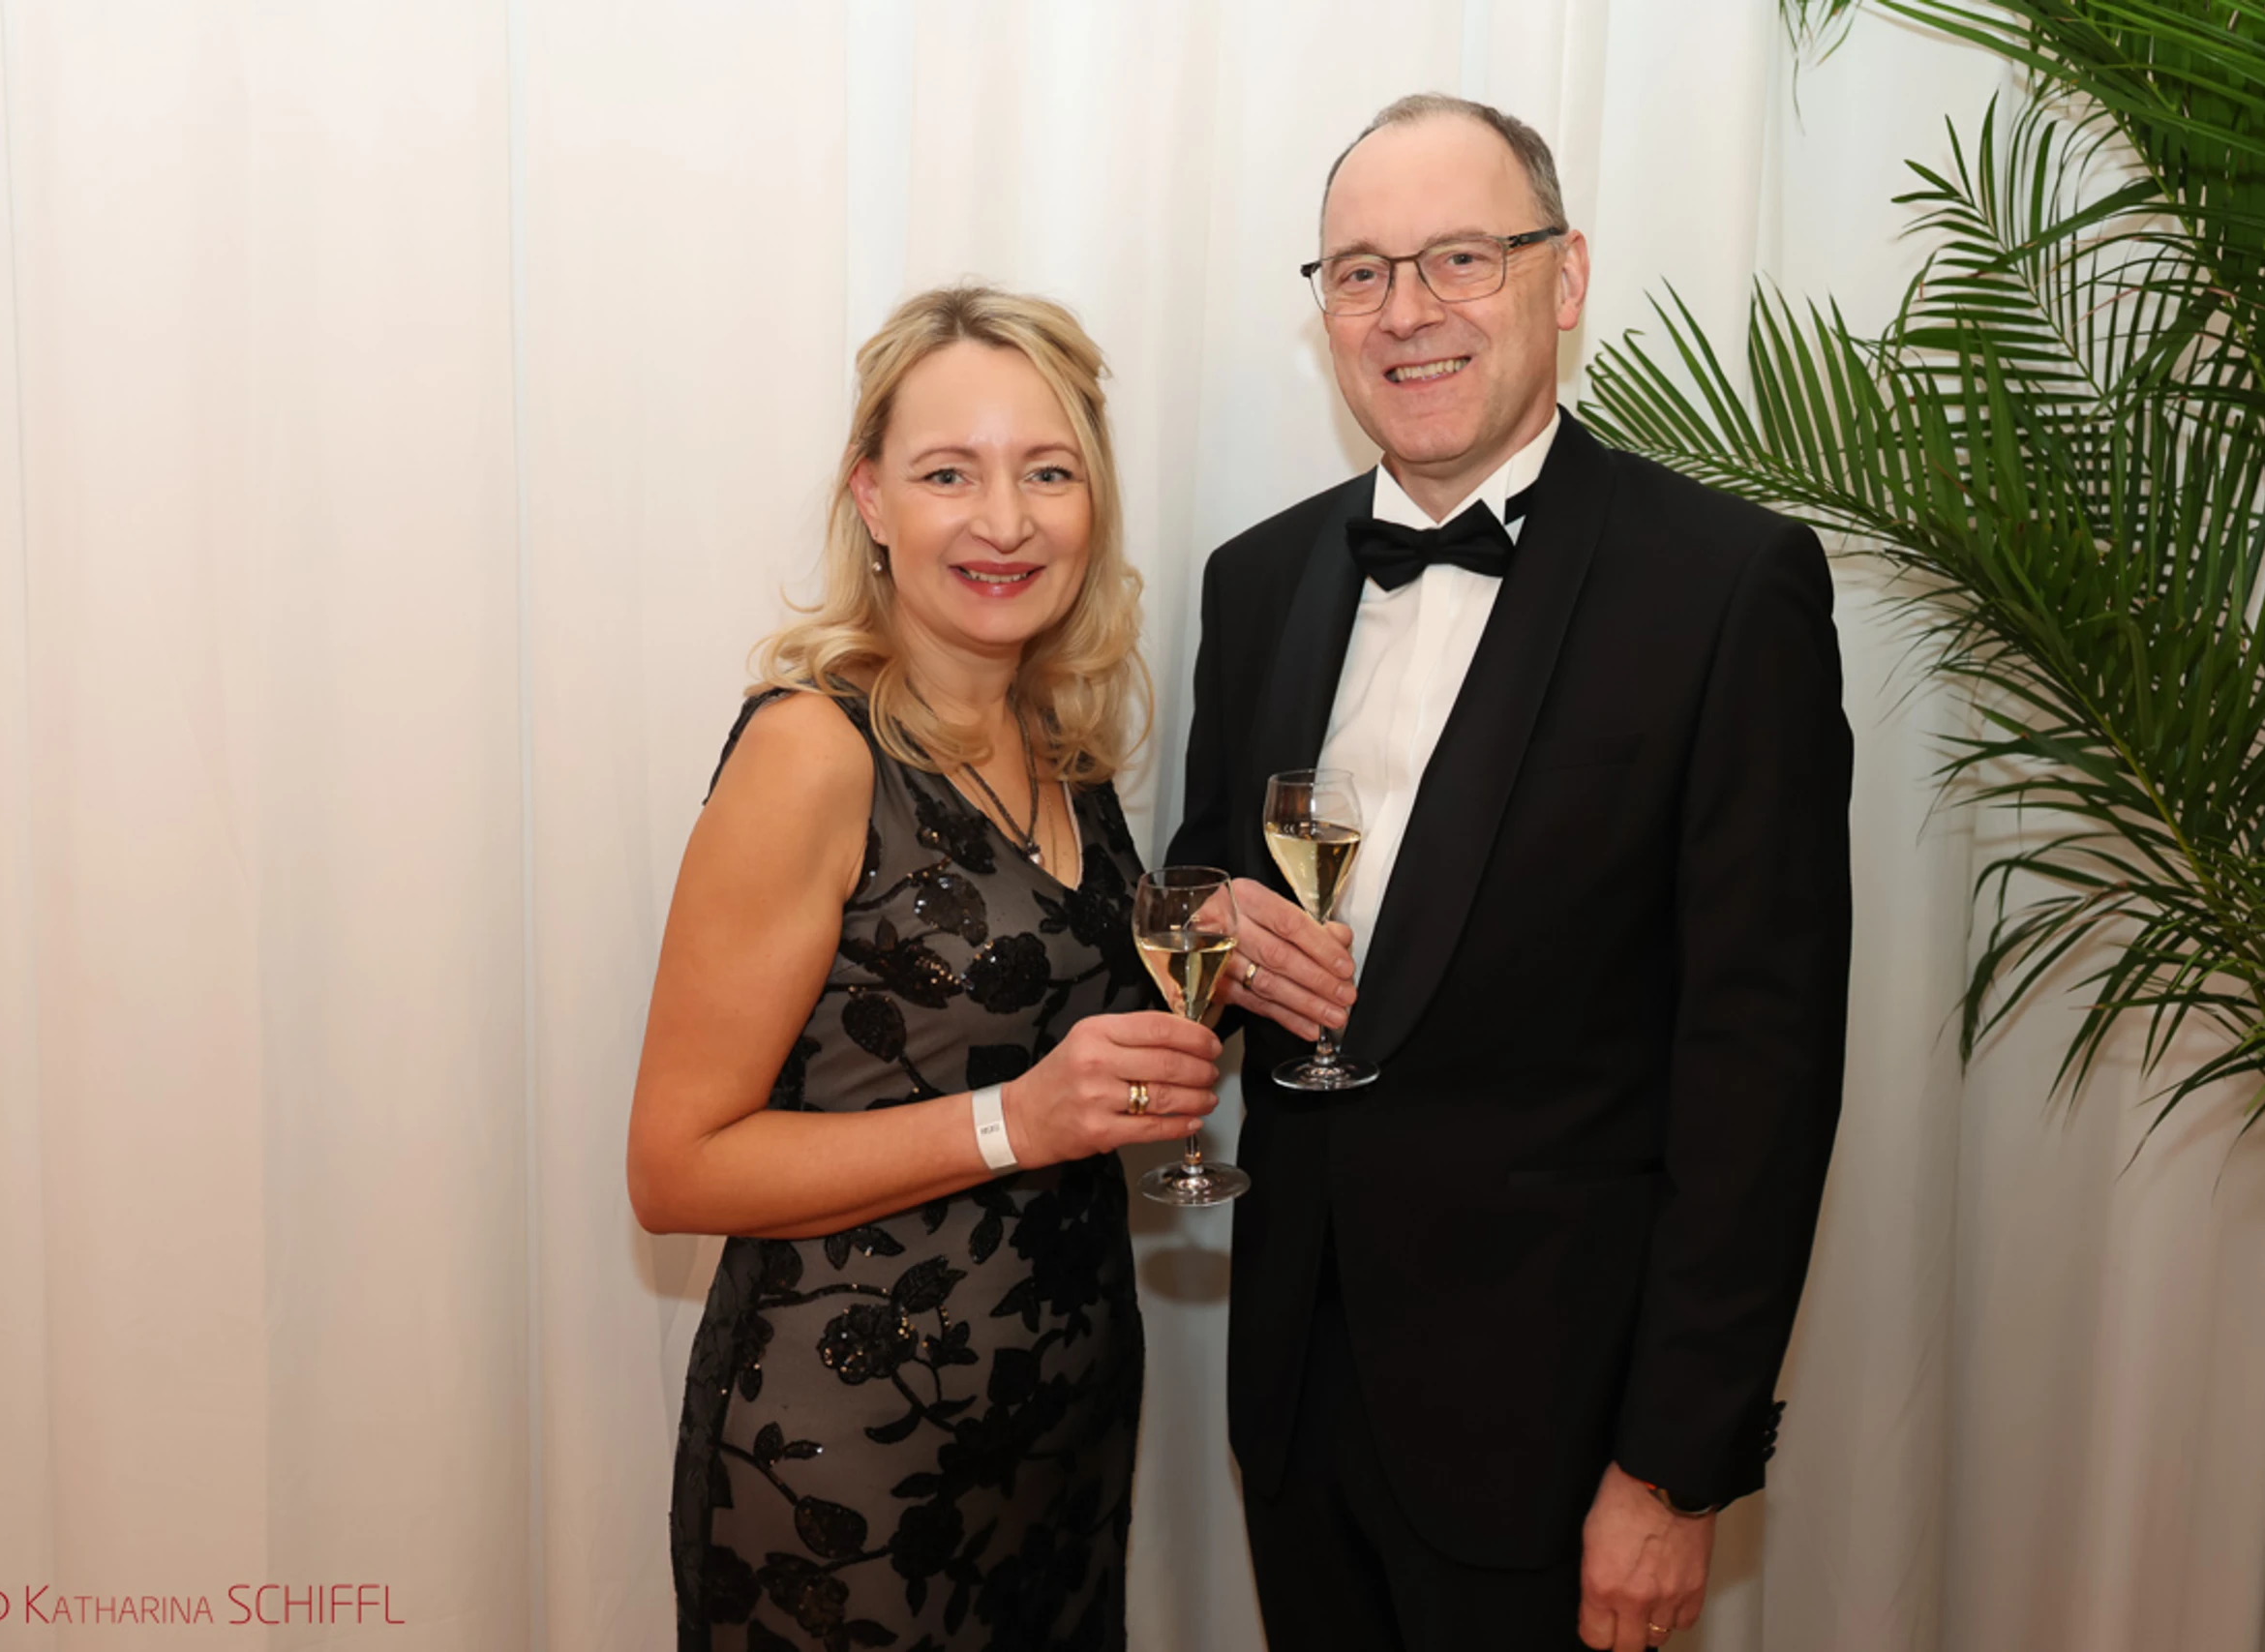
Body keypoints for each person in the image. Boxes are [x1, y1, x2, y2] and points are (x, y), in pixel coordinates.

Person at [1170, 95, 1854, 1651]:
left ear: (1566, 276)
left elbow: (1761, 1070)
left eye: (1460, 257)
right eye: (1360, 272)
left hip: (1564, 1435)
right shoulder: (1256, 577)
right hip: (1295, 1395)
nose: (1406, 310)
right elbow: (1208, 869)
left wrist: (1672, 1470)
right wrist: (1214, 922)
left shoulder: (1726, 585)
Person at [627, 285, 1221, 1652]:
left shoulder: (1063, 744)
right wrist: (1018, 1122)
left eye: (1048, 472)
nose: (1005, 520)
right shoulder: (812, 751)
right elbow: (675, 1169)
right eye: (950, 472)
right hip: (849, 1472)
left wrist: (1222, 964)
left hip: (1062, 1439)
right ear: (872, 499)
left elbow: (1056, 1043)